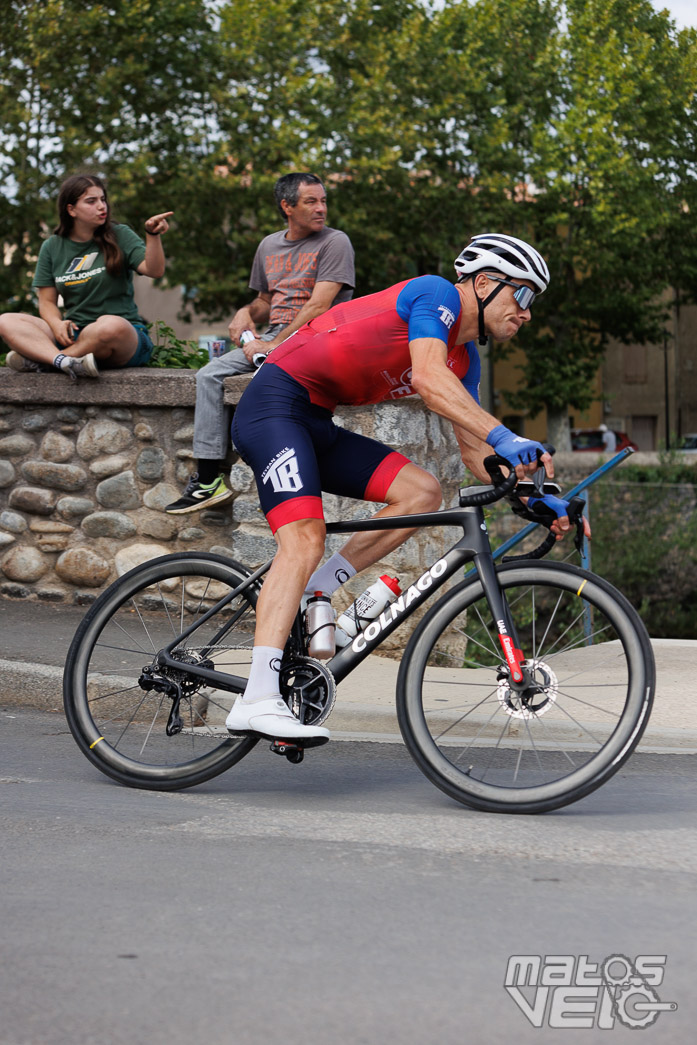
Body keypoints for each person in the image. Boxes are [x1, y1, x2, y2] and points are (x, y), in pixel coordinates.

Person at [224, 232, 591, 745]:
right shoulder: (435, 293)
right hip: (273, 407)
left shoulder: (467, 360)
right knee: (303, 539)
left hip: (315, 420)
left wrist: (535, 497)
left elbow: (474, 455)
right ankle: (256, 698)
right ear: (484, 283)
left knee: (421, 493)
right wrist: (506, 436)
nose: (527, 312)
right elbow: (426, 378)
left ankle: (318, 587)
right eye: (523, 295)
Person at [164, 172, 355, 514]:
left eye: (323, 201)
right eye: (311, 201)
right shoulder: (269, 245)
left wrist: (274, 345)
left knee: (263, 386)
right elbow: (266, 300)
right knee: (209, 375)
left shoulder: (334, 242)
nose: (321, 209)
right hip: (272, 337)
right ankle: (208, 480)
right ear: (287, 206)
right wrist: (245, 312)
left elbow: (318, 305)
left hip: (316, 336)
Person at [0, 173, 171, 379]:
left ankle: (50, 361)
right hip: (74, 334)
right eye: (91, 201)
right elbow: (46, 302)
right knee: (6, 321)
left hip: (123, 338)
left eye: (102, 199)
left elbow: (154, 270)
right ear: (71, 210)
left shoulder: (120, 234)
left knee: (109, 325)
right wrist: (56, 325)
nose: (102, 206)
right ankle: (67, 361)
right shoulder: (52, 246)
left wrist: (152, 236)